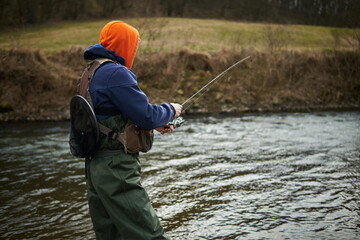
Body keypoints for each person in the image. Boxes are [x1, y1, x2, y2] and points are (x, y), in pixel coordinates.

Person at [83, 21, 182, 239]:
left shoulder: (90, 72)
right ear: (125, 45)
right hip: (116, 170)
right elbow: (145, 114)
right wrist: (170, 110)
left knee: (110, 236)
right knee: (150, 234)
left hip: (95, 168)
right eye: (133, 45)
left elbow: (109, 116)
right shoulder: (115, 73)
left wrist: (154, 125)